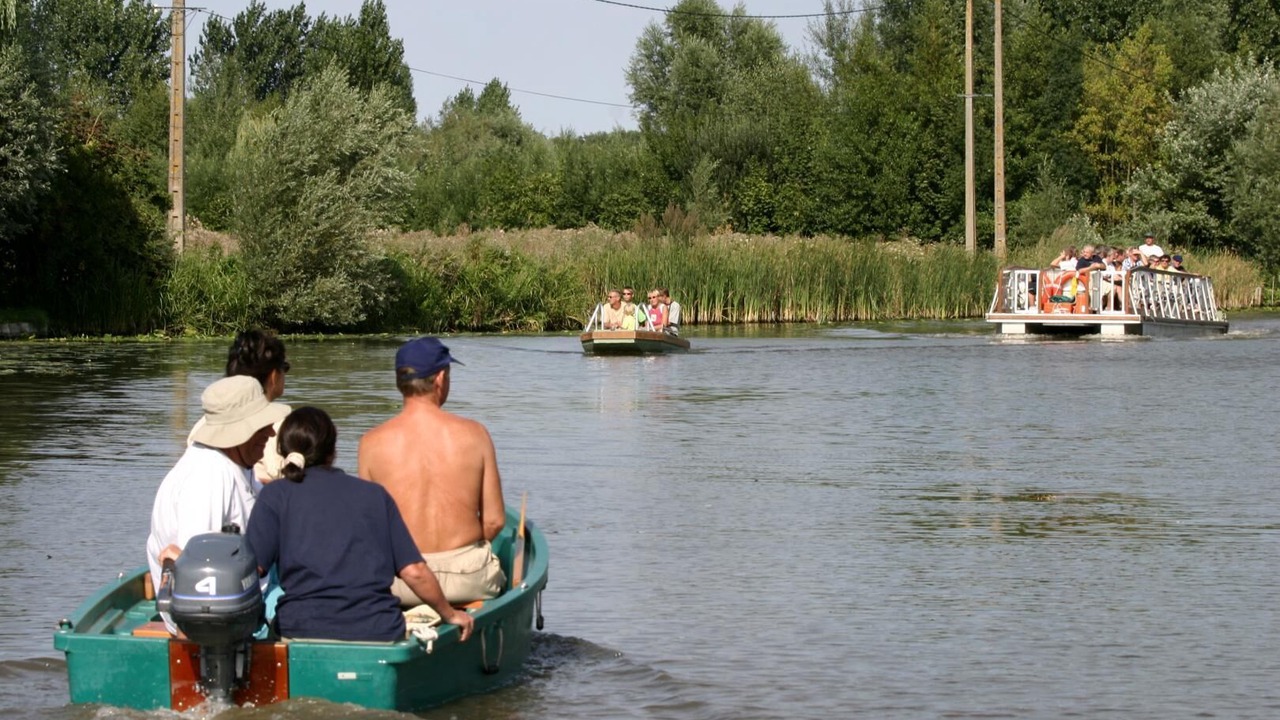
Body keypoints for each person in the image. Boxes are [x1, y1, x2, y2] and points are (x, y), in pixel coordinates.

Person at [247, 407, 474, 642]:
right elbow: (414, 572)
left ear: (283, 451)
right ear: (332, 451)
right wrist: (449, 614)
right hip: (377, 627)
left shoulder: (274, 495)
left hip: (302, 627)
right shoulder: (374, 495)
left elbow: (251, 571)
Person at [358, 338, 507, 609]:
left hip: (403, 582)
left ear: (398, 382)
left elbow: (369, 530)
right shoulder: (475, 435)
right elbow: (495, 521)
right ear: (440, 378)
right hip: (467, 578)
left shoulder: (370, 443)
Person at [146, 375, 291, 631]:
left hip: (246, 588)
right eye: (262, 426)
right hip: (218, 617)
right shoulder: (209, 477)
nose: (271, 433)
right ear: (240, 431)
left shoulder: (235, 461)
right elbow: (199, 573)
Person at [188, 330, 291, 484]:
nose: (269, 432)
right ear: (274, 376)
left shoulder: (205, 424)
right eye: (285, 368)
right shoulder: (278, 424)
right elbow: (286, 479)